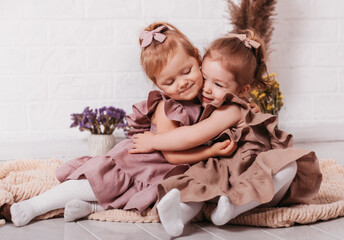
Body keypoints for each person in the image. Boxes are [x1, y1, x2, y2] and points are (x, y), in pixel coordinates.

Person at [9, 22, 236, 227]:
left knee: (139, 201)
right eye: (170, 81)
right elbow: (173, 156)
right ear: (157, 84)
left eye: (186, 71)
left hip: (164, 172)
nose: (183, 83)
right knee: (97, 185)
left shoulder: (206, 94)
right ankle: (35, 205)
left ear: (197, 57)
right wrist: (210, 151)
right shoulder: (167, 109)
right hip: (139, 162)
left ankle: (92, 209)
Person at [130, 30, 323, 237]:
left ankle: (232, 208)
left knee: (287, 165)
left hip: (255, 176)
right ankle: (185, 214)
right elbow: (193, 135)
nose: (207, 89)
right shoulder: (215, 105)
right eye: (205, 78)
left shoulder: (229, 109)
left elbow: (193, 135)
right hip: (234, 169)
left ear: (241, 91)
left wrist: (154, 141)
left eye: (218, 84)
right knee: (201, 183)